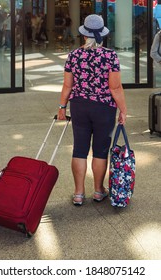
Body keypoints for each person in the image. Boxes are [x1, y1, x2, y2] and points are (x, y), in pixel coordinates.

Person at [57, 14, 127, 206]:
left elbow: (67, 86)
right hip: (104, 108)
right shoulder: (110, 56)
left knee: (79, 149)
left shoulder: (73, 55)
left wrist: (62, 107)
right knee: (100, 150)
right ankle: (98, 191)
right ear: (102, 34)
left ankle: (78, 193)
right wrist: (123, 109)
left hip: (79, 106)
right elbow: (115, 88)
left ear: (84, 34)